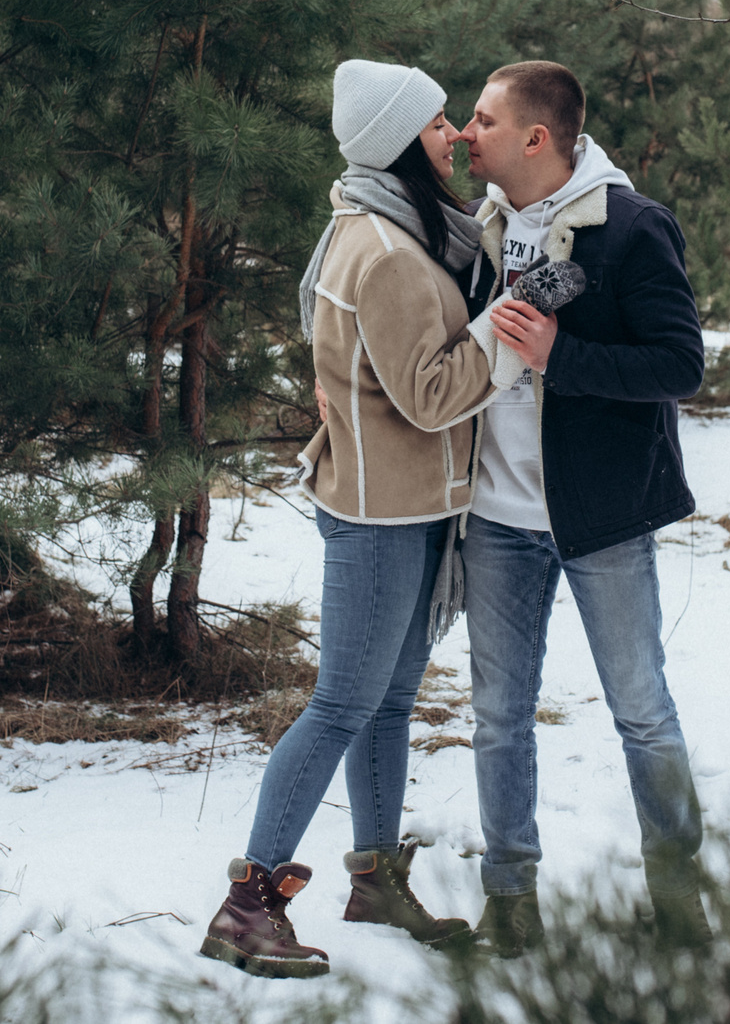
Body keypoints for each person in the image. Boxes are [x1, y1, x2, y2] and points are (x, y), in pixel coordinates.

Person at [198, 59, 523, 980]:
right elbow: (428, 395)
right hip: (380, 514)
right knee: (344, 701)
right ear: (397, 144)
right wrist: (511, 323)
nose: (454, 134)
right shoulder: (381, 251)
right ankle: (248, 903)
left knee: (385, 701)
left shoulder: (400, 227)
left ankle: (375, 877)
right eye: (436, 124)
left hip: (410, 504)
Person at [455, 60, 709, 955]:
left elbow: (680, 365)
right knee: (498, 717)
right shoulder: (475, 230)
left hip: (599, 518)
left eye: (482, 118)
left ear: (536, 137)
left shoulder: (631, 229)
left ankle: (680, 905)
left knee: (643, 712)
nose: (464, 130)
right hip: (496, 516)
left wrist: (565, 355)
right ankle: (510, 903)